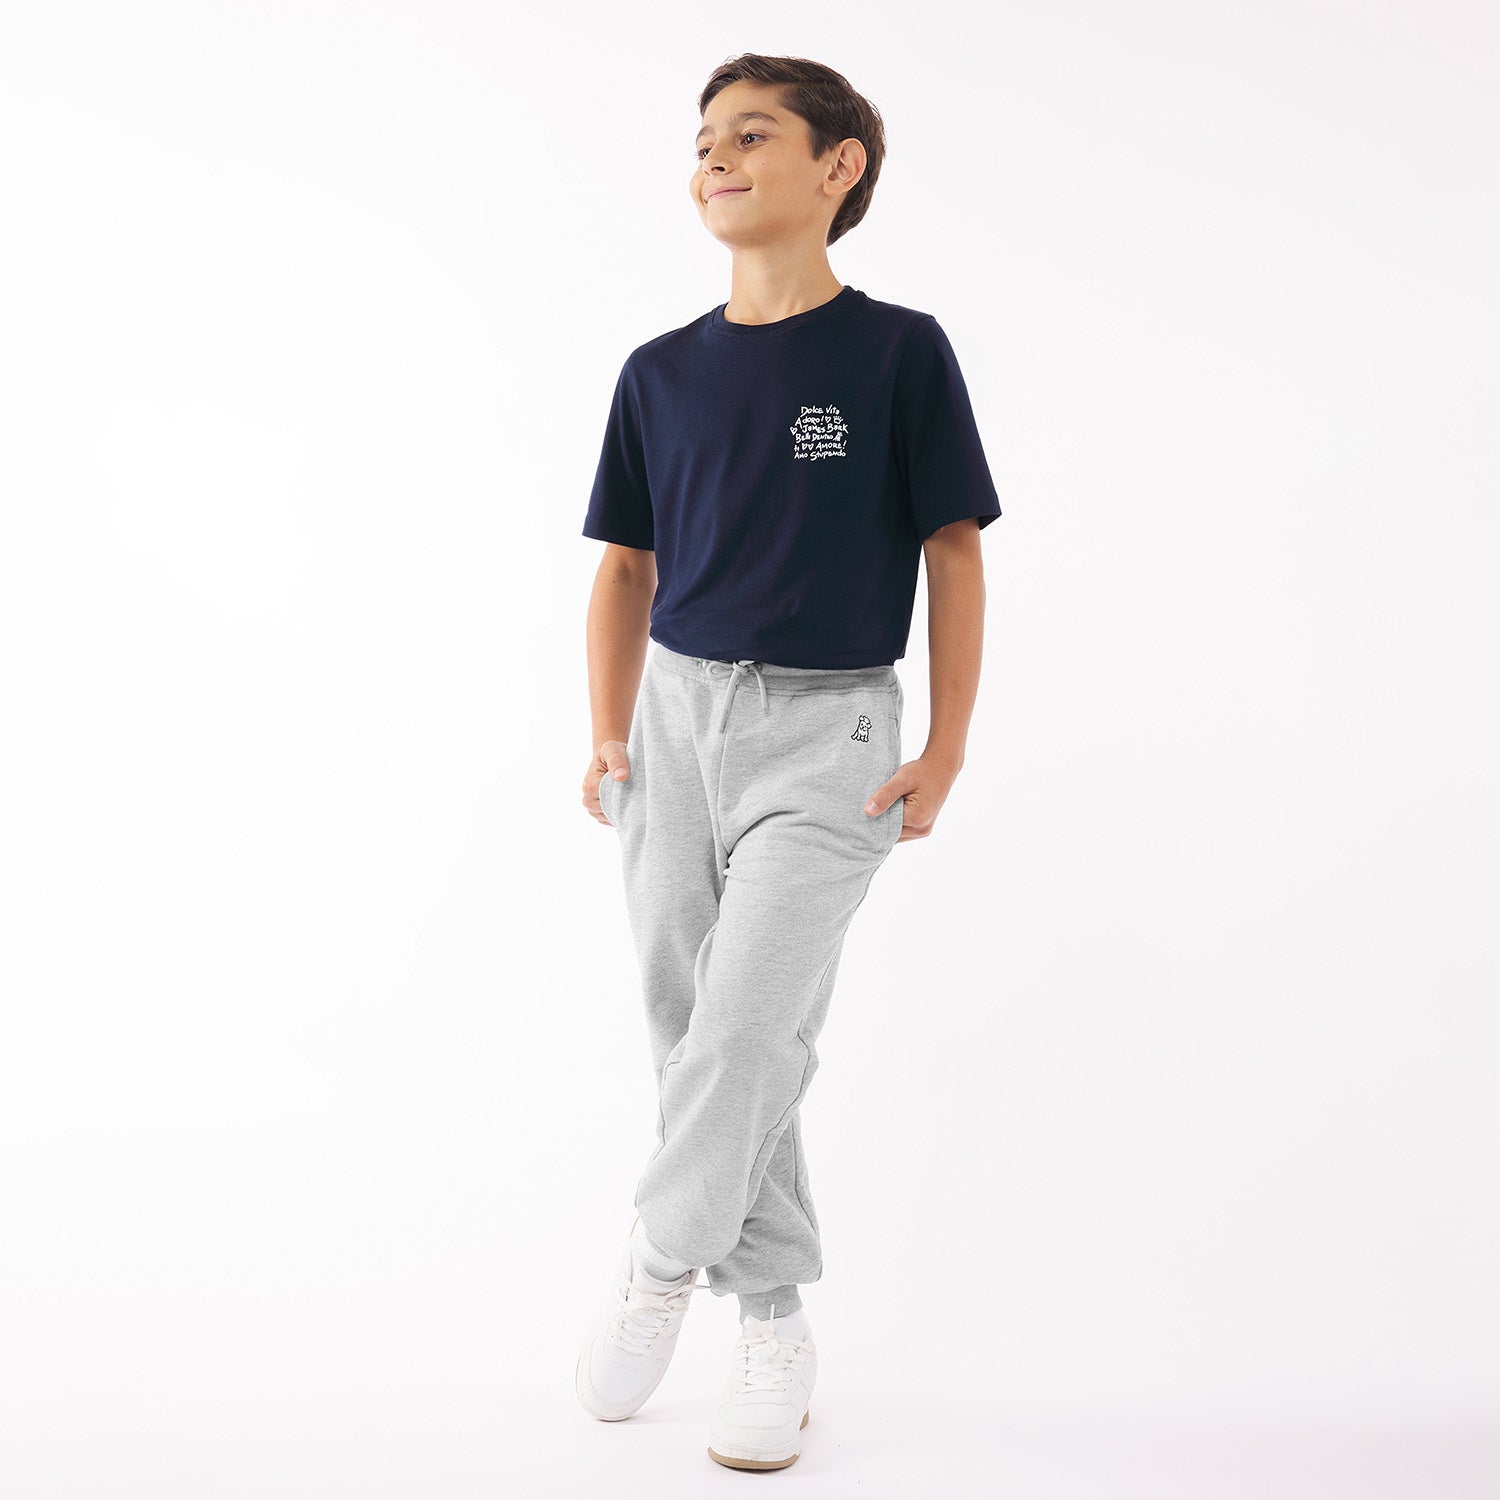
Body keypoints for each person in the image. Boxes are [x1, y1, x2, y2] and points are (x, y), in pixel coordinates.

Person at [573, 53, 1001, 1471]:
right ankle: (771, 1314)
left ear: (838, 167)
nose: (716, 157)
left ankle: (659, 1255)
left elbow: (953, 550)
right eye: (704, 140)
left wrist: (946, 745)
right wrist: (608, 733)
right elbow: (623, 569)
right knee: (689, 1024)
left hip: (833, 735)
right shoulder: (659, 373)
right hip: (674, 726)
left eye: (751, 134)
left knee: (750, 1027)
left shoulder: (898, 354)